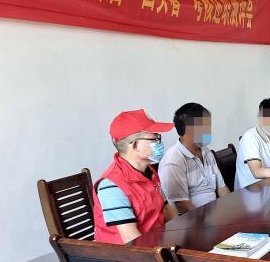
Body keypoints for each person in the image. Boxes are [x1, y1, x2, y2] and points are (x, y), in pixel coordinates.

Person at [93, 109, 178, 244]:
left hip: (157, 242)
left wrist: (184, 236)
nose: (159, 143)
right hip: (127, 253)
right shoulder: (111, 185)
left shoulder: (149, 171)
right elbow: (132, 240)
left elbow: (167, 210)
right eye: (155, 138)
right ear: (135, 145)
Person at [158, 103, 229, 214]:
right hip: (193, 219)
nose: (208, 131)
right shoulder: (173, 161)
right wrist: (208, 220)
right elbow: (182, 206)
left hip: (215, 213)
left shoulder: (206, 152)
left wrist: (230, 211)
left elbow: (221, 188)